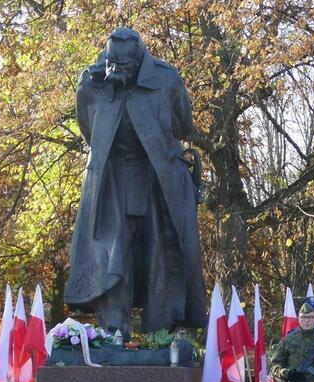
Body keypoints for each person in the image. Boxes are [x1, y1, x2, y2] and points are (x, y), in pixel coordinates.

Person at [63, 27, 207, 337]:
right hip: (112, 178)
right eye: (113, 65)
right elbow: (89, 130)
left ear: (139, 59)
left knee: (163, 255)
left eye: (125, 67)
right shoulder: (91, 82)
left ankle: (160, 334)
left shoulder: (167, 78)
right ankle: (114, 333)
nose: (117, 72)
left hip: (160, 179)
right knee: (110, 257)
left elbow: (183, 125)